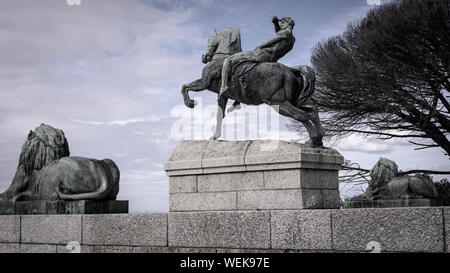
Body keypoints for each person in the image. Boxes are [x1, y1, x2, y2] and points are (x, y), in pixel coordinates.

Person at [218, 16, 296, 98]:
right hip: (272, 60)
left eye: (283, 23)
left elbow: (269, 41)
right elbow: (280, 34)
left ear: (288, 23)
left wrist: (258, 48)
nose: (281, 25)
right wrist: (275, 23)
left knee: (228, 60)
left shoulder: (284, 33)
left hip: (261, 55)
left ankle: (223, 86)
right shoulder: (292, 39)